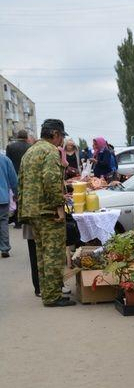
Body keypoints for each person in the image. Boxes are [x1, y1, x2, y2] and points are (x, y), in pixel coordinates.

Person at [18, 118, 76, 307]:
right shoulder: (50, 151)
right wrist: (59, 206)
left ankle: (47, 292)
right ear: (55, 134)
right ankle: (53, 297)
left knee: (42, 254)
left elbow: (21, 182)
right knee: (53, 254)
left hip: (32, 210)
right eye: (61, 136)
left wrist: (23, 208)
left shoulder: (30, 151)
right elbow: (51, 181)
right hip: (47, 211)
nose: (61, 141)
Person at [6, 129, 31, 228]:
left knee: (16, 197)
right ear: (26, 137)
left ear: (17, 136)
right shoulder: (30, 147)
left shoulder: (10, 146)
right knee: (26, 197)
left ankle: (17, 221)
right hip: (27, 176)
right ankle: (26, 219)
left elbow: (8, 162)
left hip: (14, 174)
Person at [0, 153, 18, 257]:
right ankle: (4, 248)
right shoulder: (5, 159)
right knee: (3, 222)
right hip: (2, 197)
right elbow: (13, 179)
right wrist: (16, 193)